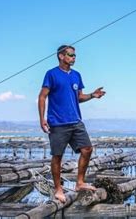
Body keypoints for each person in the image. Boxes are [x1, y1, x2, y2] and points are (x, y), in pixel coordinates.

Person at [38, 45, 106, 203]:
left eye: (75, 55)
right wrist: (42, 119)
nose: (74, 57)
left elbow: (79, 97)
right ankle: (58, 189)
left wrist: (92, 95)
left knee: (87, 149)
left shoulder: (76, 75)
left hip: (76, 121)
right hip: (58, 123)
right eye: (70, 55)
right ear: (61, 56)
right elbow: (42, 97)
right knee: (57, 157)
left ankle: (79, 183)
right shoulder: (51, 74)